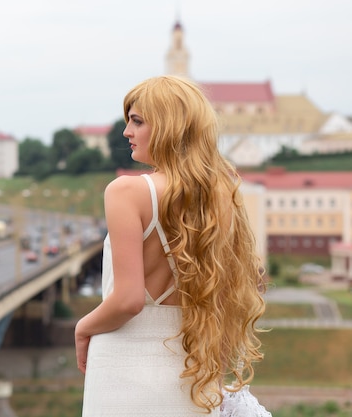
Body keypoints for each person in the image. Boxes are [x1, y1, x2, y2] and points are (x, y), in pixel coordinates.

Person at [75, 75, 267, 416]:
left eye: (137, 121)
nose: (126, 132)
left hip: (123, 370)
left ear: (169, 126)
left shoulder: (127, 192)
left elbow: (129, 300)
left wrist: (83, 327)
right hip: (193, 376)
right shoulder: (221, 199)